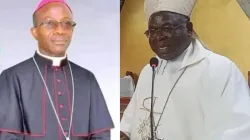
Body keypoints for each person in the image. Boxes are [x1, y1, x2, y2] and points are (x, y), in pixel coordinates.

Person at [120, 0, 250, 139]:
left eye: (167, 28)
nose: (159, 37)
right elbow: (130, 121)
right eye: (152, 31)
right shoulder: (149, 70)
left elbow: (235, 132)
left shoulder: (221, 70)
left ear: (189, 29)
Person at [0, 0, 114, 139]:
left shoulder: (87, 78)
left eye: (67, 23)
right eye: (49, 23)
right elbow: (7, 136)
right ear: (34, 32)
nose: (60, 30)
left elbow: (101, 135)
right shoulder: (12, 77)